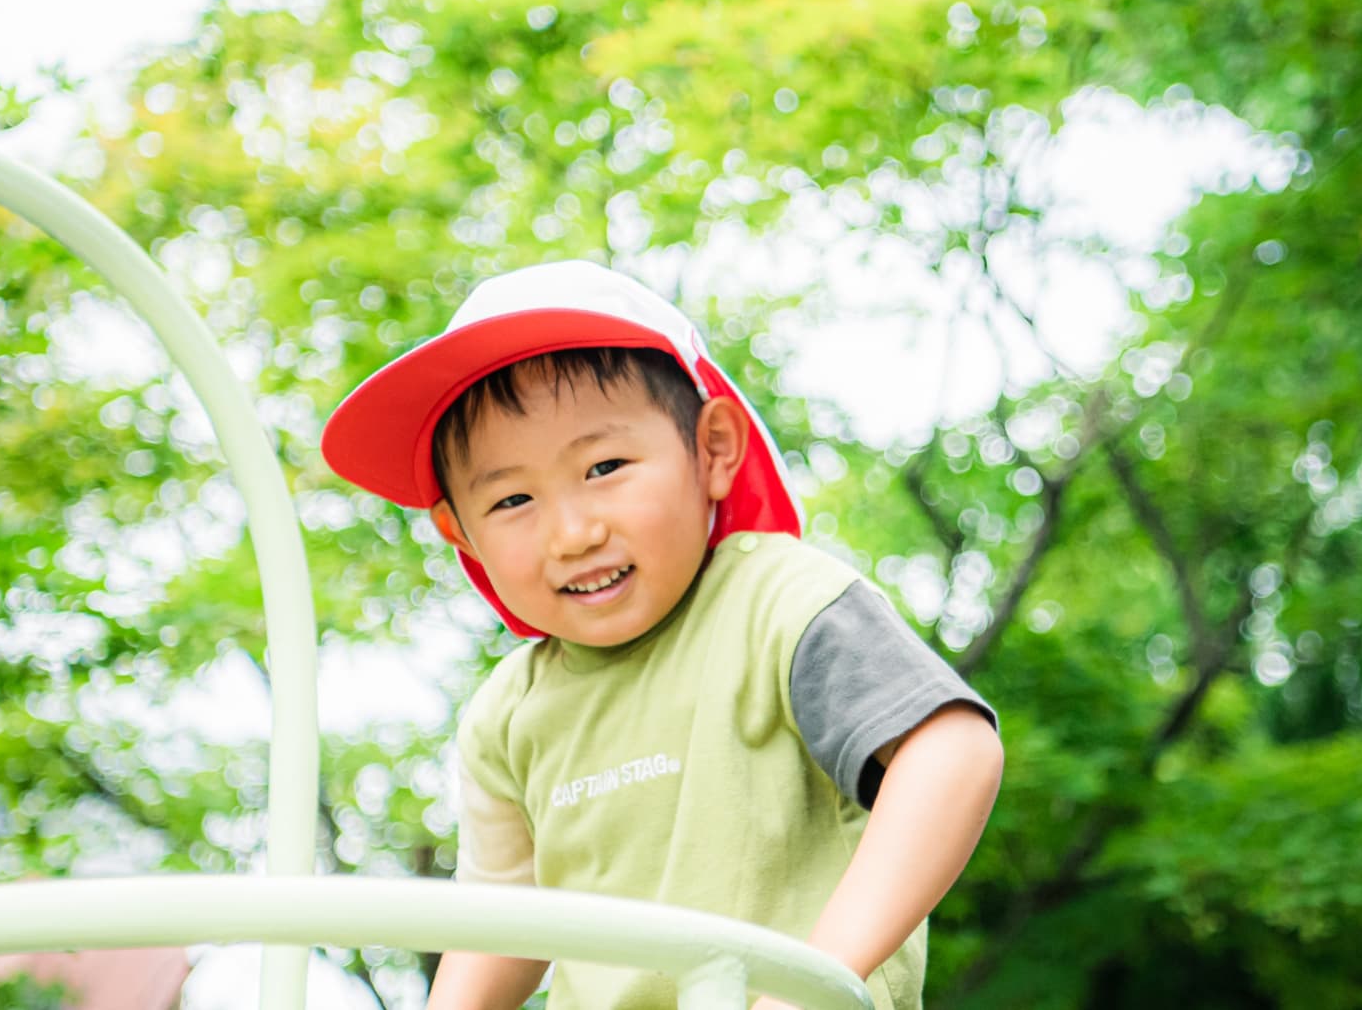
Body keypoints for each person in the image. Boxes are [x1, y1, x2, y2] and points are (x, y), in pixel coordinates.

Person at [321, 261, 1004, 1010]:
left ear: (712, 451)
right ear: (462, 534)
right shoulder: (509, 711)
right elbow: (500, 924)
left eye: (604, 466)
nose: (574, 533)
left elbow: (951, 751)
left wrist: (815, 978)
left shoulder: (778, 603)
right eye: (514, 498)